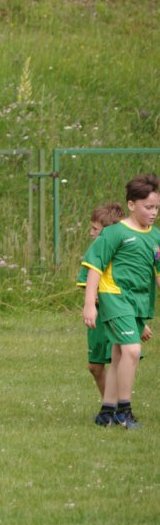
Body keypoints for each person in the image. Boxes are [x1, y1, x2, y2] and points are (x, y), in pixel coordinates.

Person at [83, 173, 160, 429]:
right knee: (132, 351)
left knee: (118, 355)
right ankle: (124, 411)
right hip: (115, 297)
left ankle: (107, 411)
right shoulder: (115, 233)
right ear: (131, 204)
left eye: (156, 207)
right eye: (148, 207)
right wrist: (89, 304)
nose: (153, 212)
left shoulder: (155, 237)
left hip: (139, 302)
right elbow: (94, 266)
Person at [76, 203, 126, 398]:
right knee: (95, 366)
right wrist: (91, 302)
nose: (91, 233)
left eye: (95, 229)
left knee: (119, 361)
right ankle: (110, 407)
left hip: (118, 316)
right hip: (98, 320)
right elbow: (87, 282)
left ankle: (119, 407)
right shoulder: (94, 252)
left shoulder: (126, 255)